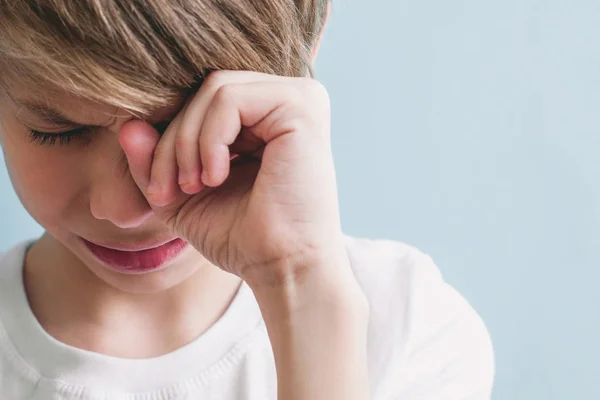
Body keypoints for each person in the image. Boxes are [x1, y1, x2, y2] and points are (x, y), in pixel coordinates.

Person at [0, 1, 494, 399]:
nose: (128, 211)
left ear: (310, 42)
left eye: (179, 126)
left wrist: (299, 283)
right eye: (59, 132)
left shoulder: (411, 332)